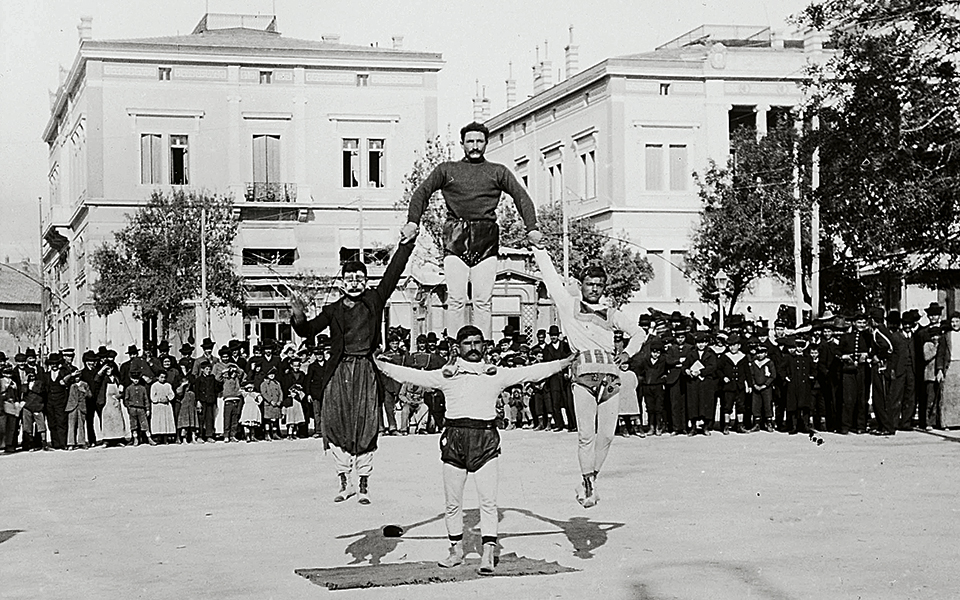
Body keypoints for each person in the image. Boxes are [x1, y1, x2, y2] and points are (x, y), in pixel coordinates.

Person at [375, 325, 575, 575]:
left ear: (484, 345)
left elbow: (531, 373)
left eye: (477, 342)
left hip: (485, 439)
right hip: (455, 438)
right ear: (458, 347)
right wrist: (380, 365)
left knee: (488, 502)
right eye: (467, 343)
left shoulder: (496, 374)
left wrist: (563, 362)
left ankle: (488, 553)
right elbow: (412, 376)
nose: (473, 348)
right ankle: (456, 551)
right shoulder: (445, 375)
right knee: (452, 503)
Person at [290, 233, 416, 505]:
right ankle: (343, 480)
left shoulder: (375, 300)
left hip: (366, 372)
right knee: (336, 425)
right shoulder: (333, 309)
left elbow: (394, 271)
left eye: (361, 278)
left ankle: (363, 483)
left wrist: (406, 244)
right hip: (338, 374)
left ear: (366, 281)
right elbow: (309, 330)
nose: (356, 283)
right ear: (342, 282)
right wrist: (298, 316)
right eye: (350, 279)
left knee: (367, 426)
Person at [401, 122, 542, 339]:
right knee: (456, 299)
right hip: (455, 239)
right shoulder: (447, 170)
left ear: (486, 143)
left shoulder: (498, 171)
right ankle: (457, 349)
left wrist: (532, 227)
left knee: (482, 301)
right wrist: (413, 222)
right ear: (462, 144)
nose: (475, 146)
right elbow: (422, 192)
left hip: (486, 240)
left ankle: (482, 350)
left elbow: (520, 196)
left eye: (479, 141)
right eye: (470, 142)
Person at [530, 245, 645, 508]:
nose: (594, 288)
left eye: (599, 285)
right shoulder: (568, 305)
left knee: (606, 436)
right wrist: (539, 248)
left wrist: (627, 353)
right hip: (583, 376)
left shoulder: (611, 313)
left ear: (604, 287)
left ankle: (591, 478)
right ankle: (589, 483)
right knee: (585, 435)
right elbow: (549, 275)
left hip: (611, 377)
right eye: (590, 283)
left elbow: (638, 333)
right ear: (581, 285)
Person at [936, 311, 960, 428]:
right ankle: (947, 423)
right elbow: (940, 354)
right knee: (947, 396)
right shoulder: (946, 336)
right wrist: (940, 369)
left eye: (957, 321)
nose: (955, 324)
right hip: (950, 366)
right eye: (953, 322)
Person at [98, 364, 129, 446]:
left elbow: (121, 389)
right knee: (107, 421)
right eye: (106, 369)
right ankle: (106, 440)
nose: (108, 371)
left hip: (115, 402)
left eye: (109, 368)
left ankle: (119, 439)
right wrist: (101, 370)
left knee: (117, 420)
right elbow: (96, 379)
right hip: (106, 402)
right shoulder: (103, 378)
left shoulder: (116, 379)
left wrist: (120, 395)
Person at [124, 372, 156, 446]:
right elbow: (126, 399)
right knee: (133, 424)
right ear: (131, 379)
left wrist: (147, 409)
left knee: (145, 424)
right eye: (134, 379)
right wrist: (129, 408)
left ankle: (149, 438)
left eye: (137, 379)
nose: (136, 380)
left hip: (141, 408)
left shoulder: (143, 388)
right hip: (132, 408)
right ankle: (135, 439)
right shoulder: (128, 388)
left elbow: (146, 399)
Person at [150, 370, 177, 443]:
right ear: (157, 377)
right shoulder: (154, 385)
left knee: (166, 421)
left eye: (164, 377)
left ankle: (166, 438)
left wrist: (168, 398)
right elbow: (152, 397)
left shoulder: (168, 385)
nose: (163, 379)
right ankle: (159, 438)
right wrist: (159, 400)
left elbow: (172, 394)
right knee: (159, 421)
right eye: (161, 377)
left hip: (166, 406)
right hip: (158, 406)